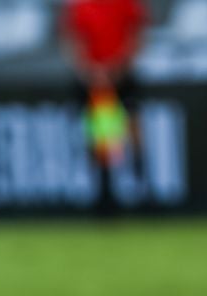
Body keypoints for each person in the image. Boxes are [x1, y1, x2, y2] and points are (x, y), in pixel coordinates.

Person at [57, 0, 148, 214]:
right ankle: (105, 193)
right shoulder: (81, 6)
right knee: (102, 138)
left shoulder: (126, 4)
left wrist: (118, 68)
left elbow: (137, 36)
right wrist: (92, 71)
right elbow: (73, 42)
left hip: (121, 76)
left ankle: (141, 183)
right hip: (93, 79)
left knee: (132, 128)